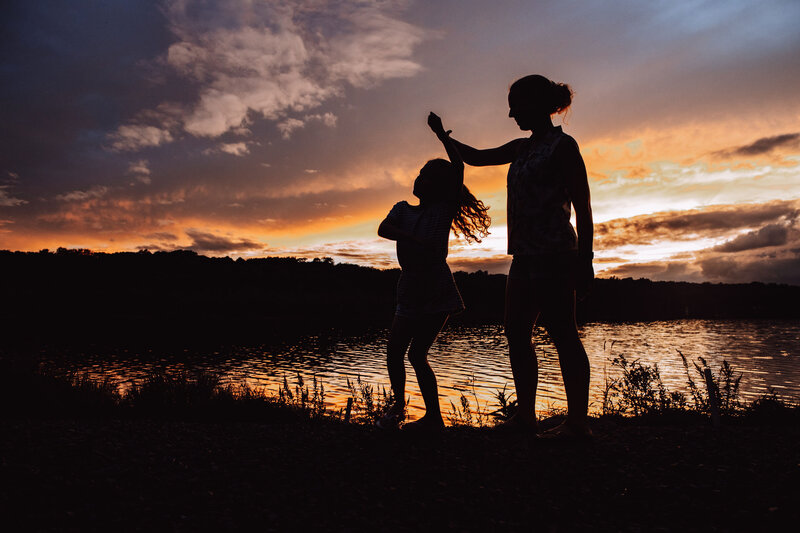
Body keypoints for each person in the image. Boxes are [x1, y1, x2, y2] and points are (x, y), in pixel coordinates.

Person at [434, 74, 594, 437]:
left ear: (537, 105)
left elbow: (583, 208)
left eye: (516, 106)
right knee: (516, 333)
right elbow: (473, 158)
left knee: (563, 334)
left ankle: (578, 423)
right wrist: (444, 137)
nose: (510, 114)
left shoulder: (563, 147)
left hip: (555, 255)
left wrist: (585, 261)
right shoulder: (521, 149)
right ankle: (526, 417)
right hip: (523, 256)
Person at [377, 113, 491, 431]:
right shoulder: (401, 209)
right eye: (419, 174)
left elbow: (458, 169)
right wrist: (411, 237)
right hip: (410, 284)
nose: (419, 179)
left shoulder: (442, 210)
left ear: (437, 187)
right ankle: (398, 408)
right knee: (395, 351)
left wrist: (442, 135)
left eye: (425, 176)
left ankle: (433, 418)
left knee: (416, 355)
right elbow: (384, 228)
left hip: (437, 286)